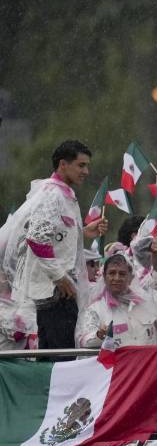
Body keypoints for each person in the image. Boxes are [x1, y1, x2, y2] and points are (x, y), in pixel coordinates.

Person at [0, 140, 106, 349]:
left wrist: (82, 232)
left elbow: (54, 238)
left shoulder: (64, 194)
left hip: (58, 293)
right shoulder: (52, 194)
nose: (86, 171)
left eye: (87, 165)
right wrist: (60, 277)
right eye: (81, 165)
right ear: (62, 165)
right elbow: (37, 238)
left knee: (59, 356)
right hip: (54, 294)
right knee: (60, 359)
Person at [75, 245, 157, 348]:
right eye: (112, 273)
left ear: (131, 277)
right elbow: (84, 340)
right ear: (104, 276)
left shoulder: (146, 303)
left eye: (122, 274)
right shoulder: (95, 307)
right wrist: (99, 335)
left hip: (146, 362)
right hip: (115, 363)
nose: (117, 278)